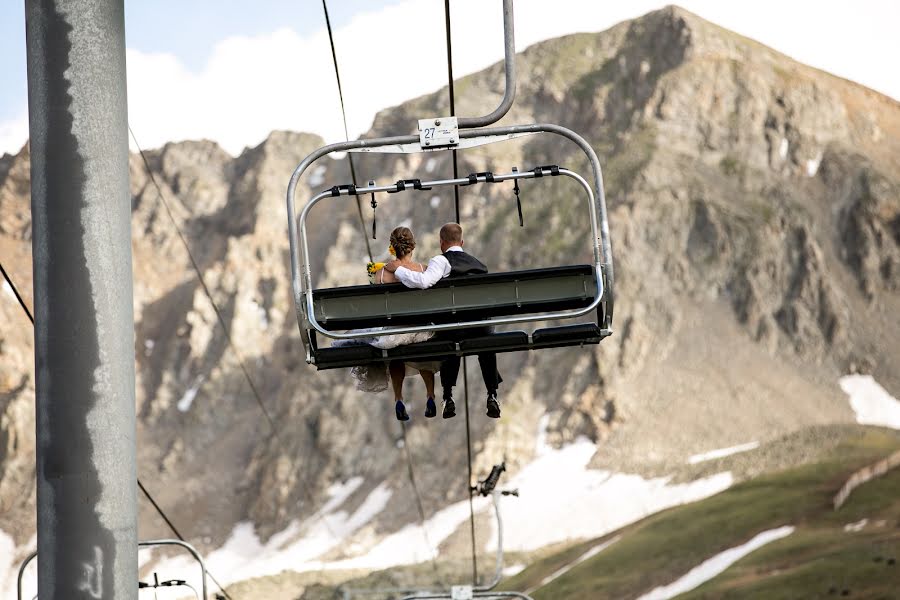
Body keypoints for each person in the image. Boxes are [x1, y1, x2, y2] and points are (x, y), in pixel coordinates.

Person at [385, 223, 502, 419]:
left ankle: (447, 396)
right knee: (486, 344)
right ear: (462, 242)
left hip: (454, 329)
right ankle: (492, 394)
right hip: (481, 328)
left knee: (447, 338)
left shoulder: (441, 261)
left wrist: (398, 269)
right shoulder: (480, 265)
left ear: (441, 242)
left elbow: (423, 282)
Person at [336, 227, 440, 421]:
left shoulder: (381, 274)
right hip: (418, 328)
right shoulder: (422, 270)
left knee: (395, 354)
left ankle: (399, 398)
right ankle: (430, 395)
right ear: (412, 247)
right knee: (425, 349)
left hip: (393, 330)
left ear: (392, 247)